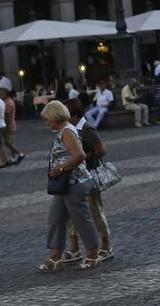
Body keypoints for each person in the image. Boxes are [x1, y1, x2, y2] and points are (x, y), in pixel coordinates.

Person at [38, 101, 100, 272]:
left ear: (55, 117)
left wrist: (60, 168)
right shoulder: (65, 130)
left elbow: (80, 155)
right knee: (55, 218)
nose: (47, 123)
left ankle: (92, 254)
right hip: (65, 184)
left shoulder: (66, 132)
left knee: (81, 219)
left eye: (48, 119)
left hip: (75, 182)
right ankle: (55, 255)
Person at [65, 99, 113, 263]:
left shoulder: (86, 129)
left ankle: (106, 246)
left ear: (74, 115)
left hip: (89, 174)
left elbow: (102, 149)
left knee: (95, 210)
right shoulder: (70, 129)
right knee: (71, 212)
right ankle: (74, 248)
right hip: (75, 175)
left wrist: (85, 158)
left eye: (67, 115)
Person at [3, 89, 25, 165]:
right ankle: (12, 158)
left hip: (8, 125)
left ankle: (19, 154)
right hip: (11, 124)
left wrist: (6, 125)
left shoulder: (8, 103)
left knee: (8, 142)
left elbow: (7, 116)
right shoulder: (9, 102)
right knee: (10, 142)